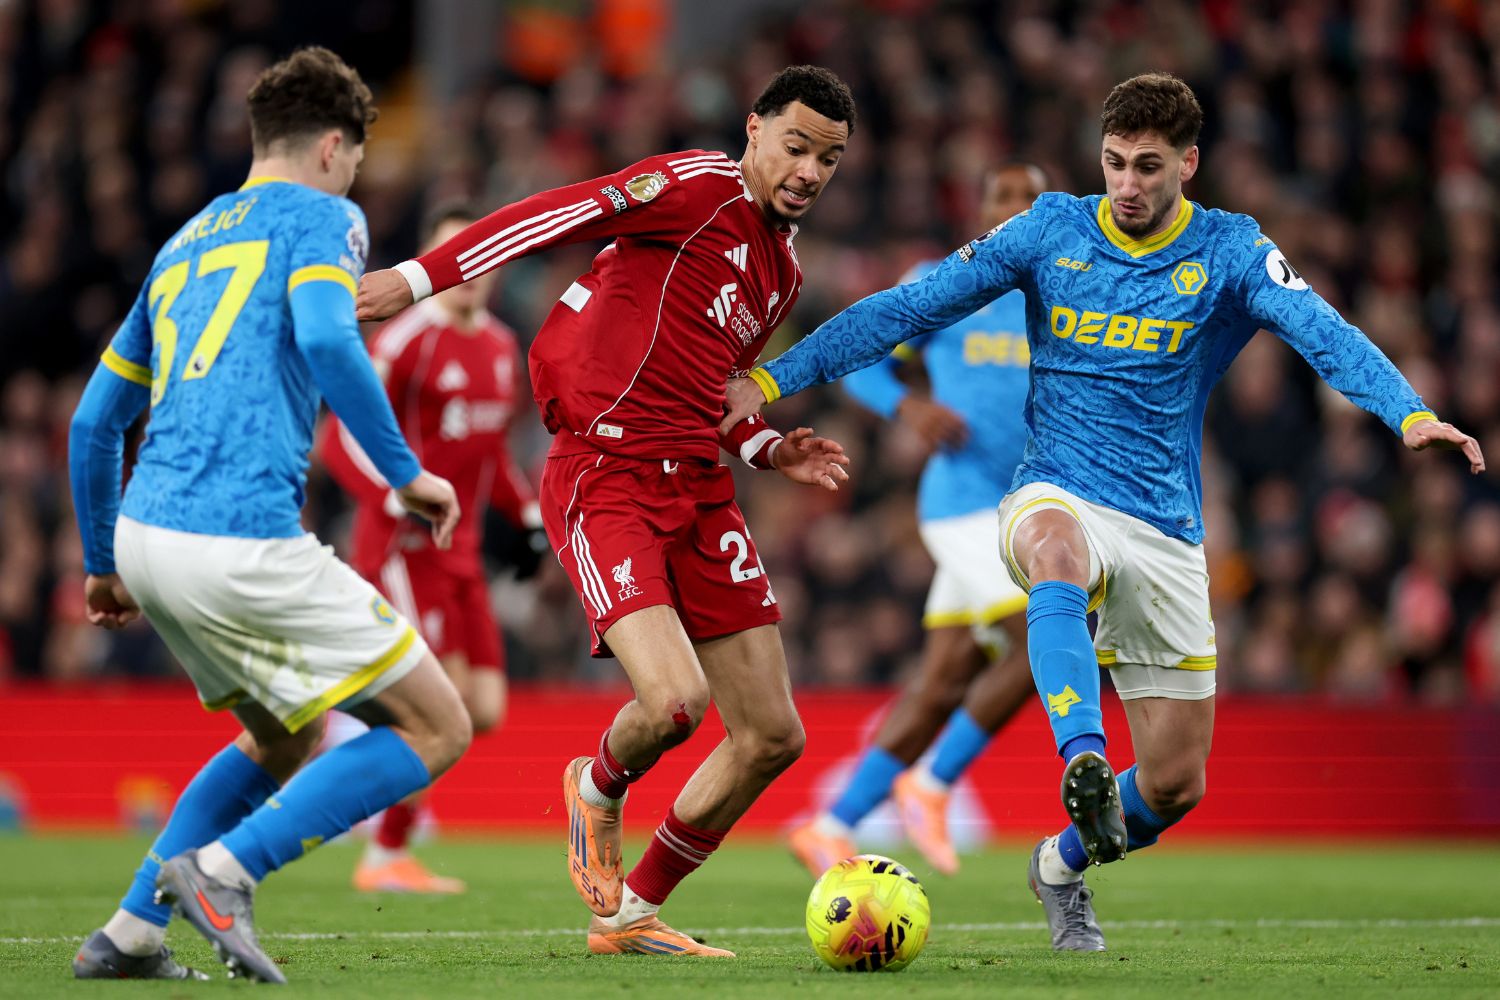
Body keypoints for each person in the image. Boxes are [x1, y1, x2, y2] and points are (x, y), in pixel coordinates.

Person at [721, 72, 1486, 953]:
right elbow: (907, 308)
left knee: (1172, 786)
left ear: (1189, 165)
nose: (1127, 184)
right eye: (1115, 163)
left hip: (1163, 526)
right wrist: (774, 379)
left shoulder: (1233, 253)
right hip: (1052, 491)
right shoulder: (1051, 230)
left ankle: (1059, 861)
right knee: (1052, 550)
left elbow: (1324, 332)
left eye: (1149, 167)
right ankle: (1080, 753)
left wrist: (1409, 411)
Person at [356, 65, 856, 957]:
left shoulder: (780, 274)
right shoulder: (691, 187)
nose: (811, 170)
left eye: (830, 158)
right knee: (673, 704)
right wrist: (416, 277)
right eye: (797, 145)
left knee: (773, 734)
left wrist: (771, 449)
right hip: (608, 474)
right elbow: (554, 211)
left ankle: (629, 914)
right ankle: (597, 784)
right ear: (753, 130)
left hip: (698, 486)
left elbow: (711, 395)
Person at [67, 48, 469, 983]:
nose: (358, 176)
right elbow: (330, 333)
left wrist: (100, 562)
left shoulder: (182, 246)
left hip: (147, 533)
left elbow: (95, 422)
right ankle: (225, 870)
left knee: (284, 735)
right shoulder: (326, 217)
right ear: (334, 146)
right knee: (436, 724)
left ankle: (130, 931)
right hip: (236, 534)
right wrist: (405, 473)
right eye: (359, 160)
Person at [788, 164, 1047, 878]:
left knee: (943, 681)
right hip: (960, 505)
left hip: (1025, 510)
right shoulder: (949, 281)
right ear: (983, 209)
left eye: (1033, 201)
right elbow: (864, 358)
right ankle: (931, 785)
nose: (1018, 210)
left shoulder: (1067, 294)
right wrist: (909, 408)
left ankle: (829, 824)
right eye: (1005, 198)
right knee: (1045, 638)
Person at [317, 202, 544, 895]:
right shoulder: (401, 341)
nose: (470, 272)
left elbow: (490, 450)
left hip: (463, 550)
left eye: (481, 257)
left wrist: (526, 511)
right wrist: (395, 496)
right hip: (405, 545)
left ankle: (351, 717)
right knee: (439, 705)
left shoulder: (503, 347)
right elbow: (337, 438)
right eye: (454, 255)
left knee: (486, 711)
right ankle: (386, 851)